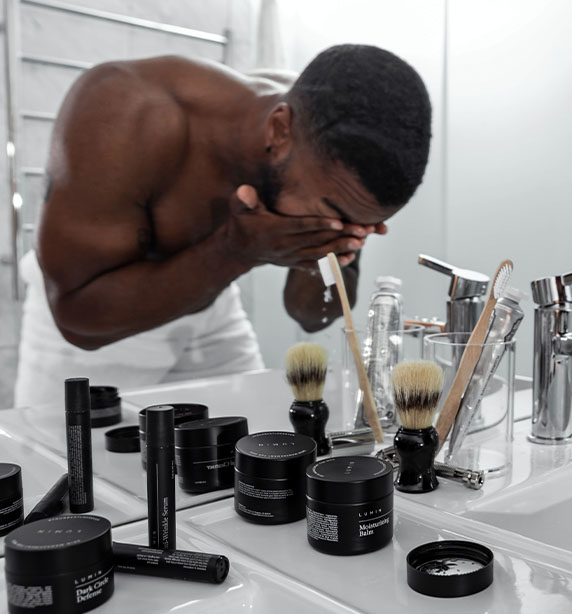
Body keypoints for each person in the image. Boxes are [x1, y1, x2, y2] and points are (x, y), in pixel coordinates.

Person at [15, 44, 432, 407]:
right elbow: (76, 321)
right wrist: (236, 250)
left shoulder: (341, 159)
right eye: (336, 213)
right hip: (101, 310)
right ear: (278, 130)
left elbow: (310, 313)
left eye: (360, 224)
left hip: (210, 305)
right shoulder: (129, 110)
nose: (339, 226)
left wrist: (327, 251)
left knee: (257, 460)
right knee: (70, 485)